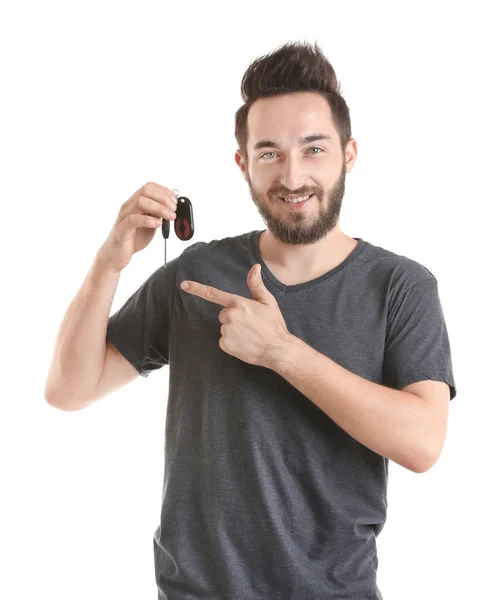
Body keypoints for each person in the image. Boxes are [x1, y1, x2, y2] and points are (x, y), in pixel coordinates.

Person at [45, 41, 457, 600]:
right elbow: (69, 389)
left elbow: (423, 443)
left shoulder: (400, 286)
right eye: (269, 153)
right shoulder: (198, 273)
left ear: (349, 154)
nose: (292, 176)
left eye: (314, 149)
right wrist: (108, 264)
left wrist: (283, 353)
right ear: (243, 162)